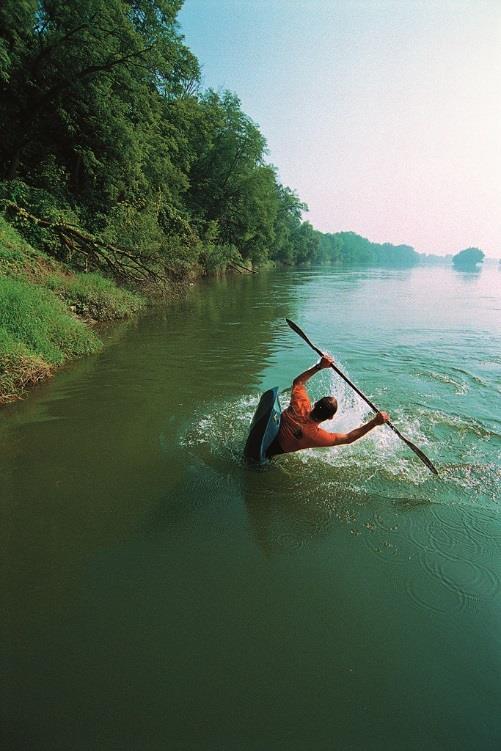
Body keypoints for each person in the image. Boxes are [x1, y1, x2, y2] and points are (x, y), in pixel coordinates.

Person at [267, 354, 389, 457]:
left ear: (315, 404)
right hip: (274, 452)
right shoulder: (316, 436)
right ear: (330, 417)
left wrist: (319, 366)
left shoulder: (301, 404)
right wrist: (374, 422)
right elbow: (348, 438)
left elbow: (298, 382)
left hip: (270, 433)